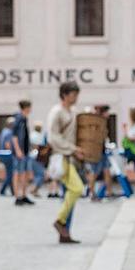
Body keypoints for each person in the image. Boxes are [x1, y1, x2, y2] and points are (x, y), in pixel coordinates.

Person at [47, 81, 85, 244]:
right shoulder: (56, 112)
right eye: (73, 94)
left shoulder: (74, 112)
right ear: (65, 94)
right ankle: (60, 221)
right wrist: (72, 148)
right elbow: (53, 137)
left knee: (70, 196)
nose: (76, 97)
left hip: (71, 157)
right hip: (62, 156)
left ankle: (65, 232)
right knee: (76, 189)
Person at [85, 105, 114, 200]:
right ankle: (92, 193)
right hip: (97, 151)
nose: (108, 114)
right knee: (95, 172)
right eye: (107, 112)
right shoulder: (97, 122)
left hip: (103, 151)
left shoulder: (103, 122)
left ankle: (109, 192)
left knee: (106, 171)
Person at [11, 100, 35, 205]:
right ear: (26, 107)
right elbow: (14, 136)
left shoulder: (24, 119)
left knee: (25, 173)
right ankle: (17, 196)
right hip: (20, 151)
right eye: (29, 107)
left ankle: (24, 195)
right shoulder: (19, 119)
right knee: (18, 173)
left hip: (25, 151)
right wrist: (17, 150)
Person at [0, 117, 15, 197]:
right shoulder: (9, 133)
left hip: (3, 155)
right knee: (10, 174)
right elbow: (7, 145)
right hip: (8, 155)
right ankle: (3, 189)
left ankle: (13, 190)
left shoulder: (4, 131)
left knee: (10, 173)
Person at [28, 121, 47, 197]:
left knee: (37, 174)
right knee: (41, 174)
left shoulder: (32, 135)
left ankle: (35, 190)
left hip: (33, 156)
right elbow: (39, 146)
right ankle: (34, 189)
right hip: (38, 156)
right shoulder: (39, 136)